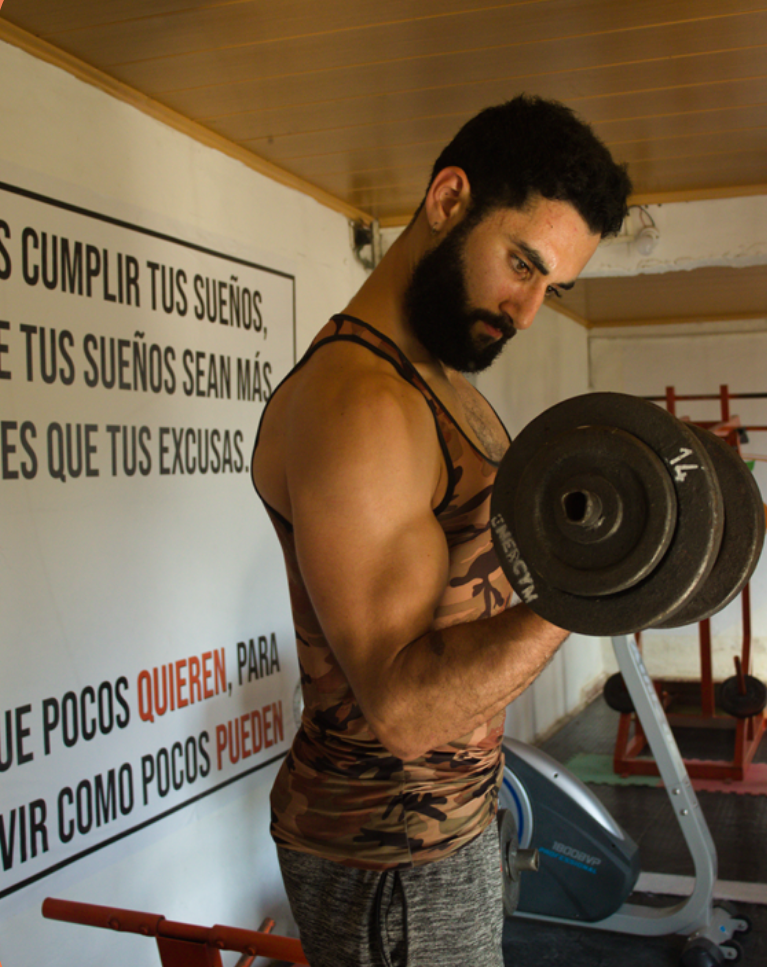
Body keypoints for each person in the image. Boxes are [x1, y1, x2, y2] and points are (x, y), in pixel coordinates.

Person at [251, 94, 632, 967]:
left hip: (452, 826)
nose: (528, 309)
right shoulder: (362, 405)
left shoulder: (438, 380)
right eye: (521, 264)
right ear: (448, 199)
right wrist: (592, 583)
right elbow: (404, 711)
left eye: (551, 286)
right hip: (387, 857)